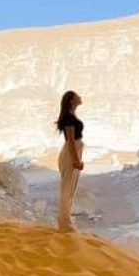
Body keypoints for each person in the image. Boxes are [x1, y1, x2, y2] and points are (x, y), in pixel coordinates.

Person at [55, 90, 84, 232]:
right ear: (72, 100)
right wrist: (76, 160)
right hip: (71, 152)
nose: (80, 97)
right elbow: (71, 140)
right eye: (77, 96)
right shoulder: (68, 117)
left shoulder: (71, 115)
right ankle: (64, 224)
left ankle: (66, 220)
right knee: (66, 189)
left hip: (74, 150)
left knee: (70, 189)